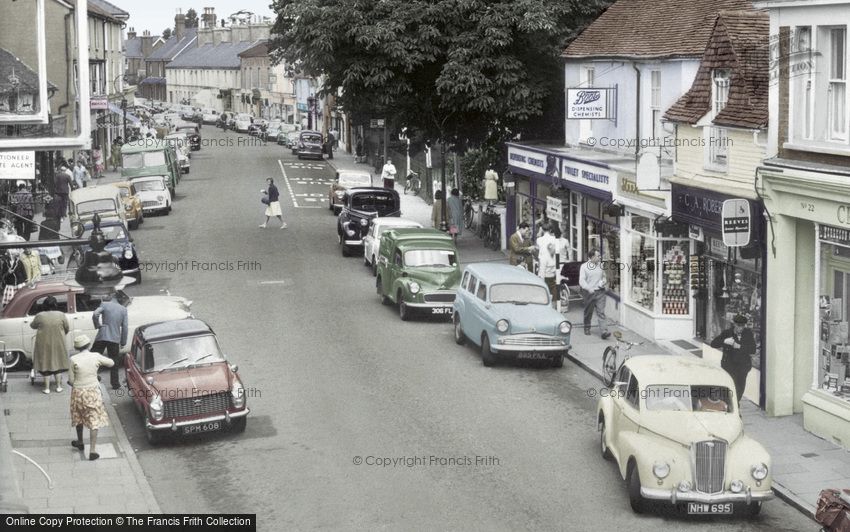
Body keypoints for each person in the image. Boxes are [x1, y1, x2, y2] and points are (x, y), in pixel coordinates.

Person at [68, 334, 113, 461]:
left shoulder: (73, 359)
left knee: (78, 416)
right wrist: (95, 371)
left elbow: (71, 381)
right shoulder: (95, 356)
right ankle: (92, 450)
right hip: (93, 392)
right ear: (88, 345)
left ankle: (80, 441)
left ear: (77, 347)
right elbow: (111, 363)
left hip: (78, 392)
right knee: (94, 420)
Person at [710, 314, 756, 403]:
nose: (741, 328)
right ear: (734, 324)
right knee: (730, 387)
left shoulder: (748, 333)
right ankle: (731, 406)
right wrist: (724, 341)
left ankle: (735, 405)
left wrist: (739, 346)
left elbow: (753, 349)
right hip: (729, 366)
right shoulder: (727, 333)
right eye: (739, 325)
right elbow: (713, 343)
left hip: (743, 367)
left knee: (740, 388)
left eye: (743, 325)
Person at [30, 296, 70, 394]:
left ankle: (47, 388)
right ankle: (59, 387)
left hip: (43, 343)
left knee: (45, 363)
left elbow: (33, 325)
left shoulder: (40, 315)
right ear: (55, 304)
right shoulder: (61, 314)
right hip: (58, 342)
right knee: (57, 362)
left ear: (44, 305)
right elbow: (67, 328)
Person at [91, 293, 128, 390]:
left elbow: (95, 314)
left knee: (93, 358)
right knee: (114, 361)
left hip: (102, 335)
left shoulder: (104, 304)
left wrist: (97, 325)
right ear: (120, 299)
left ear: (113, 297)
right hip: (114, 338)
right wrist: (123, 342)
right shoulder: (123, 310)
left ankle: (92, 378)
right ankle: (115, 384)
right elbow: (125, 327)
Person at [579, 249, 610, 339]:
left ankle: (604, 331)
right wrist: (588, 288)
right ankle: (587, 327)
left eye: (600, 256)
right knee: (588, 311)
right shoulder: (584, 267)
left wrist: (603, 281)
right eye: (598, 256)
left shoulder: (600, 265)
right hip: (589, 292)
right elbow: (581, 281)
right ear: (592, 257)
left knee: (601, 312)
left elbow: (604, 276)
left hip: (600, 291)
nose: (600, 257)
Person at [537, 222, 558, 307]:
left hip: (543, 263)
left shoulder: (539, 240)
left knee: (544, 285)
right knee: (553, 286)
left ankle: (545, 302)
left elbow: (538, 250)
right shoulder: (554, 239)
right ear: (550, 230)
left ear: (542, 229)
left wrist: (539, 232)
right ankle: (554, 303)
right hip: (553, 264)